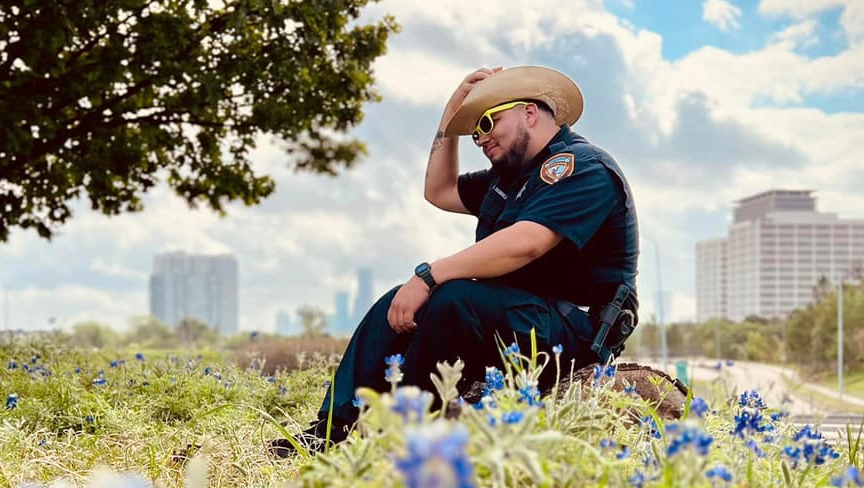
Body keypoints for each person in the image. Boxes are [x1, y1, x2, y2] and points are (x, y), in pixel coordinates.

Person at [270, 65, 639, 457]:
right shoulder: (507, 178)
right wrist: (449, 117)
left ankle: (403, 439)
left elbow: (526, 243)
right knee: (396, 305)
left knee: (451, 298)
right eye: (473, 131)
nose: (479, 138)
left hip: (573, 333)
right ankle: (329, 429)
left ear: (529, 113)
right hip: (515, 319)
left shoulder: (580, 167)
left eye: (485, 122)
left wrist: (429, 276)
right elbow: (439, 190)